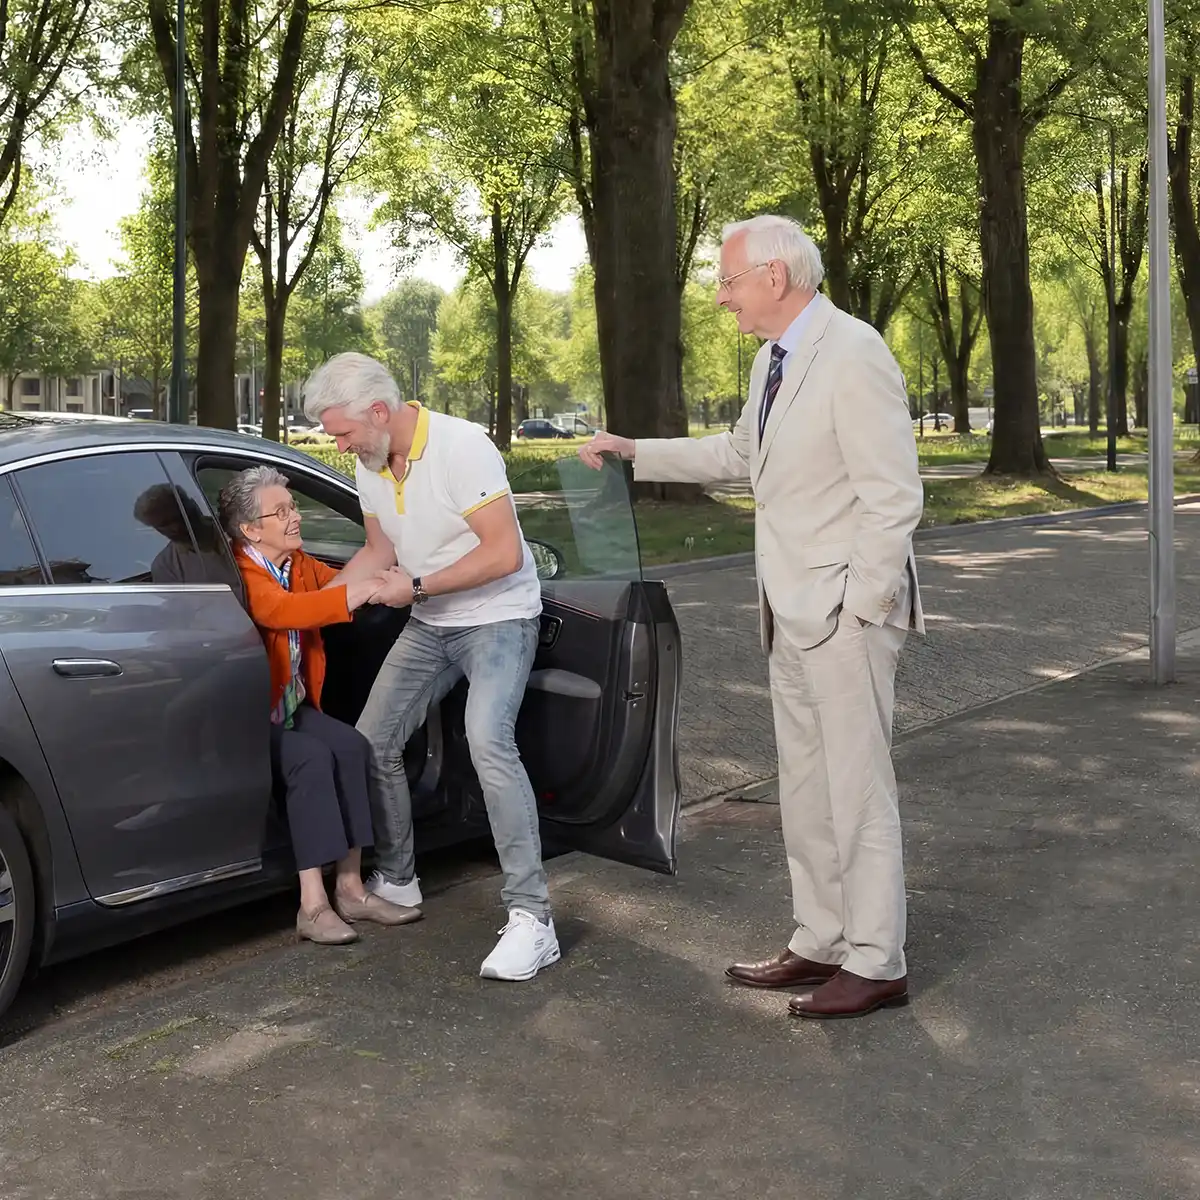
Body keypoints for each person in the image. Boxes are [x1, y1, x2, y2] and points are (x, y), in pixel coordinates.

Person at [581, 215, 925, 1020]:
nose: (720, 297)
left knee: (857, 790)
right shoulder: (775, 359)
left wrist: (861, 606)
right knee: (806, 788)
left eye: (729, 280)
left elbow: (894, 495)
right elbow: (741, 456)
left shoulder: (854, 351)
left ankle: (878, 959)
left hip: (843, 615)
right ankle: (822, 938)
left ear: (776, 276)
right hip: (786, 611)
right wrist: (635, 450)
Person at [301, 352, 557, 983]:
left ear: (380, 412)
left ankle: (533, 918)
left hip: (498, 615)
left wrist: (414, 587)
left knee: (488, 741)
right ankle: (400, 877)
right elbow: (377, 550)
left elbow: (503, 553)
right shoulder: (370, 461)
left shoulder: (462, 447)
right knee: (371, 742)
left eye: (343, 431)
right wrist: (314, 608)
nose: (339, 444)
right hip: (432, 622)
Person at [218, 465, 422, 945]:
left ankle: (350, 890)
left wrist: (393, 575)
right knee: (310, 759)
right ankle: (312, 905)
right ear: (250, 530)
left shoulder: (295, 563)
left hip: (290, 709)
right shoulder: (243, 569)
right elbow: (284, 611)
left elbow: (334, 584)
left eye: (293, 508)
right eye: (281, 511)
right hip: (250, 716)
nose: (295, 518)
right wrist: (363, 590)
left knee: (351, 746)